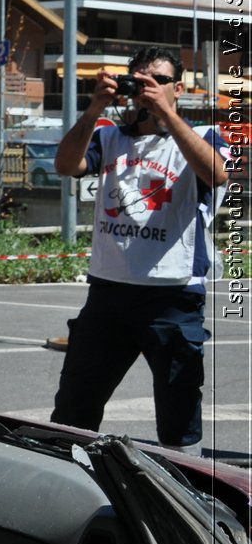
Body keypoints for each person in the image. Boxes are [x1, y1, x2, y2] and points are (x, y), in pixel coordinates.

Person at [50, 46, 229, 451]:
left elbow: (216, 174)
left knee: (178, 416)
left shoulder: (203, 137)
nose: (147, 89)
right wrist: (94, 108)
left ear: (179, 88)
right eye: (139, 80)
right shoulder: (109, 137)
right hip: (108, 293)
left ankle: (186, 498)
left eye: (159, 81)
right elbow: (65, 166)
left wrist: (166, 115)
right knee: (73, 410)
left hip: (173, 296)